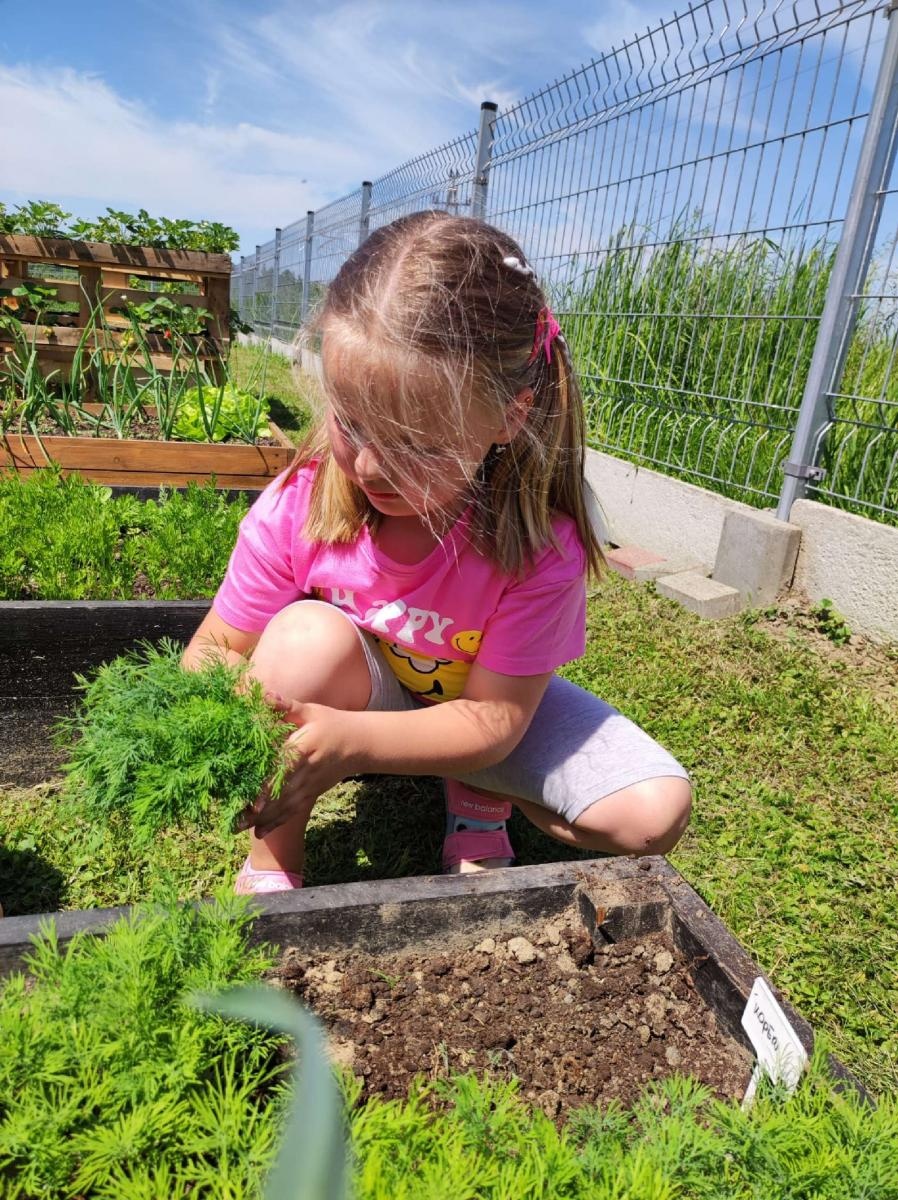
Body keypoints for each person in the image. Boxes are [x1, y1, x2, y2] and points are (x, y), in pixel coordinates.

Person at [182, 211, 691, 893]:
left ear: (509, 416)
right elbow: (212, 650)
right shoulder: (298, 505)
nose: (369, 466)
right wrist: (259, 717)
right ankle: (274, 859)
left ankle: (478, 793)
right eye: (351, 422)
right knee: (302, 641)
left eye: (415, 444)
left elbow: (492, 719)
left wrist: (353, 744)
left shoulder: (536, 548)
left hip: (479, 707)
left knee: (651, 814)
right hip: (365, 689)